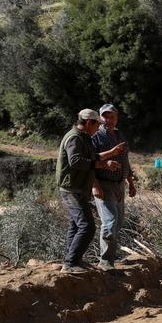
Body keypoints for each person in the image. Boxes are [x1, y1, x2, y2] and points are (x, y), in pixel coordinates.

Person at [55, 108, 125, 274]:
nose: (97, 128)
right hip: (72, 188)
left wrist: (112, 153)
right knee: (87, 226)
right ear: (88, 123)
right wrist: (103, 165)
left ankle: (72, 260)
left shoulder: (84, 138)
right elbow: (76, 161)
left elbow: (93, 157)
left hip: (77, 187)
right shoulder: (75, 138)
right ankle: (70, 264)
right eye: (96, 125)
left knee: (75, 226)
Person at [91, 104, 136, 271]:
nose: (108, 120)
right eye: (105, 116)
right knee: (109, 223)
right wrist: (95, 186)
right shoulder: (95, 137)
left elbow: (126, 161)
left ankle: (110, 258)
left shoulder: (119, 135)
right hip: (103, 184)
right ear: (100, 117)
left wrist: (130, 182)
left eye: (111, 117)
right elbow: (90, 163)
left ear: (117, 118)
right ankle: (105, 262)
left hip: (119, 185)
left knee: (117, 223)